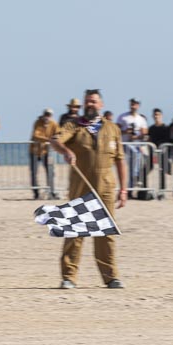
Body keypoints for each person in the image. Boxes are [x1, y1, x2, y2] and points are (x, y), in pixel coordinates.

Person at [50, 89, 127, 290]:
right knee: (76, 230)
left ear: (101, 104)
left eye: (93, 101)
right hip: (81, 186)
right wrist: (66, 151)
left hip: (106, 187)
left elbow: (120, 160)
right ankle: (69, 276)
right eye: (87, 102)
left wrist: (124, 189)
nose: (90, 105)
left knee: (106, 233)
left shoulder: (112, 129)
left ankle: (111, 277)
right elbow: (55, 140)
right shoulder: (74, 126)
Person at [116, 98, 149, 192]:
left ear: (138, 106)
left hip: (137, 144)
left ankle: (131, 186)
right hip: (125, 144)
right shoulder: (123, 117)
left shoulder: (141, 119)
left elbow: (145, 132)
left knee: (135, 162)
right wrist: (125, 132)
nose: (133, 106)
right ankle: (134, 179)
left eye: (135, 104)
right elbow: (116, 130)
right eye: (132, 104)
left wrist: (137, 136)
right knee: (129, 163)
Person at [29, 108, 59, 200]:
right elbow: (35, 136)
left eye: (49, 115)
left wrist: (55, 138)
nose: (47, 117)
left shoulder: (53, 124)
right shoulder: (38, 123)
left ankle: (51, 192)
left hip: (46, 152)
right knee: (34, 173)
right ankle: (36, 193)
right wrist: (48, 139)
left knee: (50, 172)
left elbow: (59, 133)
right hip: (35, 151)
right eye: (46, 114)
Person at [148, 109, 171, 196]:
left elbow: (168, 139)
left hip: (162, 151)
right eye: (155, 115)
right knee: (147, 169)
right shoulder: (151, 128)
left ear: (161, 116)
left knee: (162, 171)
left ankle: (162, 191)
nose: (156, 116)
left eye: (158, 114)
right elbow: (149, 139)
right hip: (153, 151)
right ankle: (146, 189)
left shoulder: (166, 128)